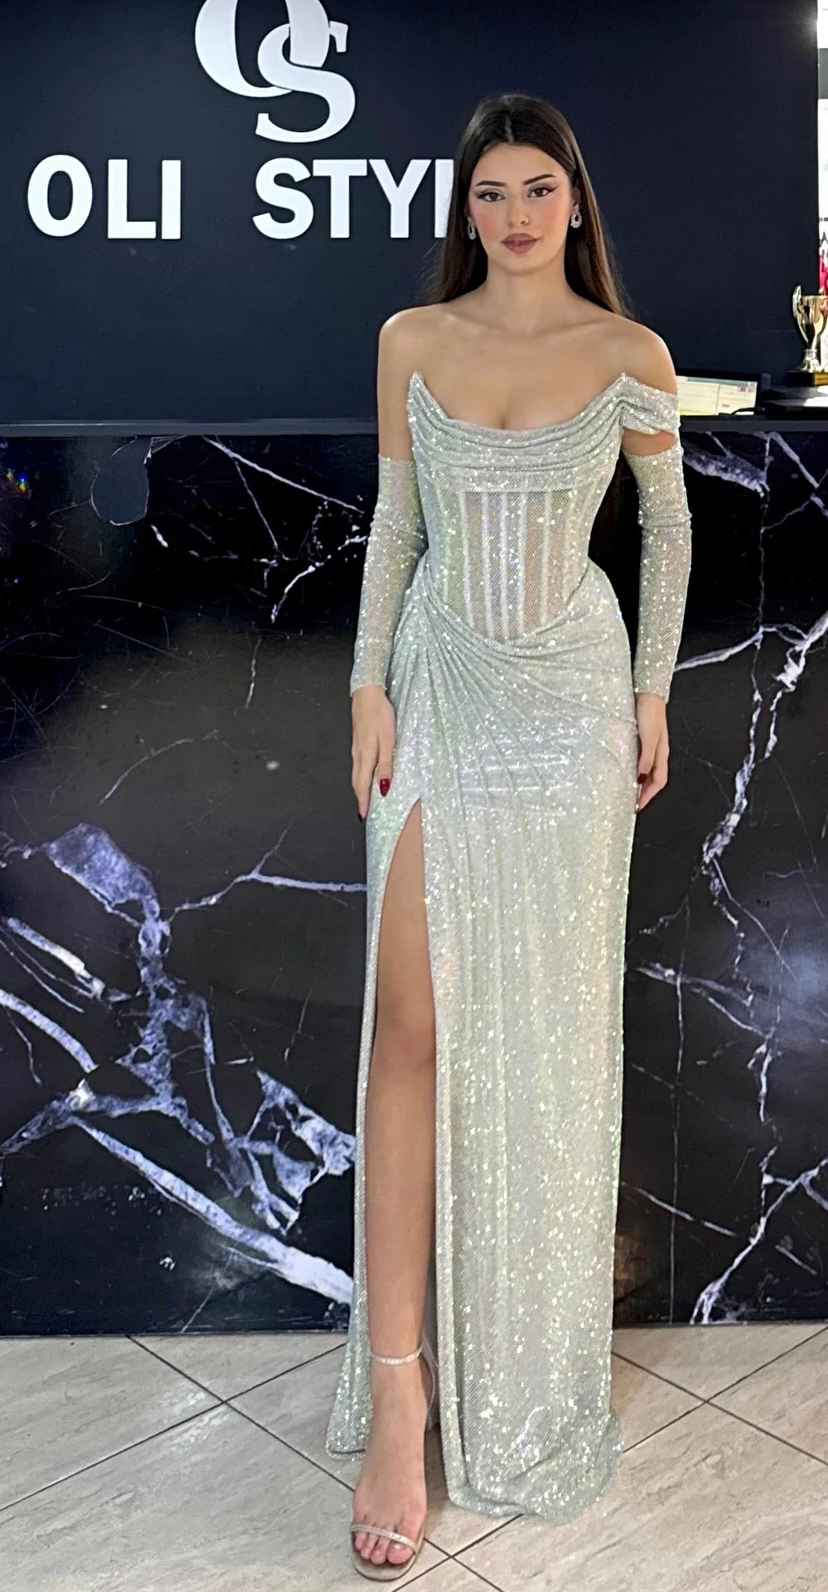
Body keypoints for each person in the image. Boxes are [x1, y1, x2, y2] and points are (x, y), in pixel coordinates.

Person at [325, 93, 693, 1578]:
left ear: (576, 202)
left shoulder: (632, 355)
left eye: (541, 188)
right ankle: (399, 1403)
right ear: (466, 211)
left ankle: (524, 1374)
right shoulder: (411, 341)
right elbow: (393, 525)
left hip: (570, 710)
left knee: (542, 1038)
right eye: (492, 192)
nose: (518, 214)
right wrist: (366, 687)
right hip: (441, 691)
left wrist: (651, 692)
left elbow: (668, 530)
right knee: (409, 1028)